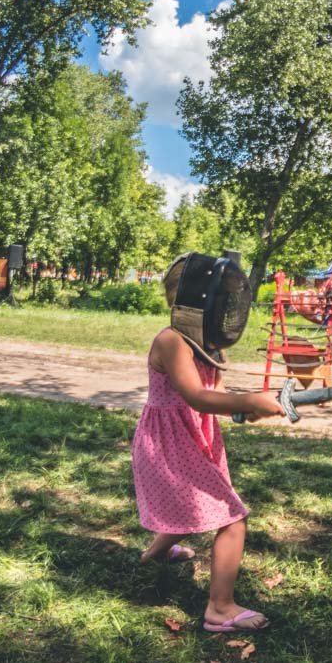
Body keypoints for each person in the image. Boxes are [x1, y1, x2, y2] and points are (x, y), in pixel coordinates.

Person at [132, 252, 284, 633]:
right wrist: (247, 401)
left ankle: (153, 554)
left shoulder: (209, 346)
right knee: (231, 518)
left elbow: (218, 395)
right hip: (170, 445)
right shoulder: (171, 341)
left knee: (195, 508)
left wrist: (243, 409)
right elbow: (196, 397)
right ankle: (220, 609)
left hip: (196, 440)